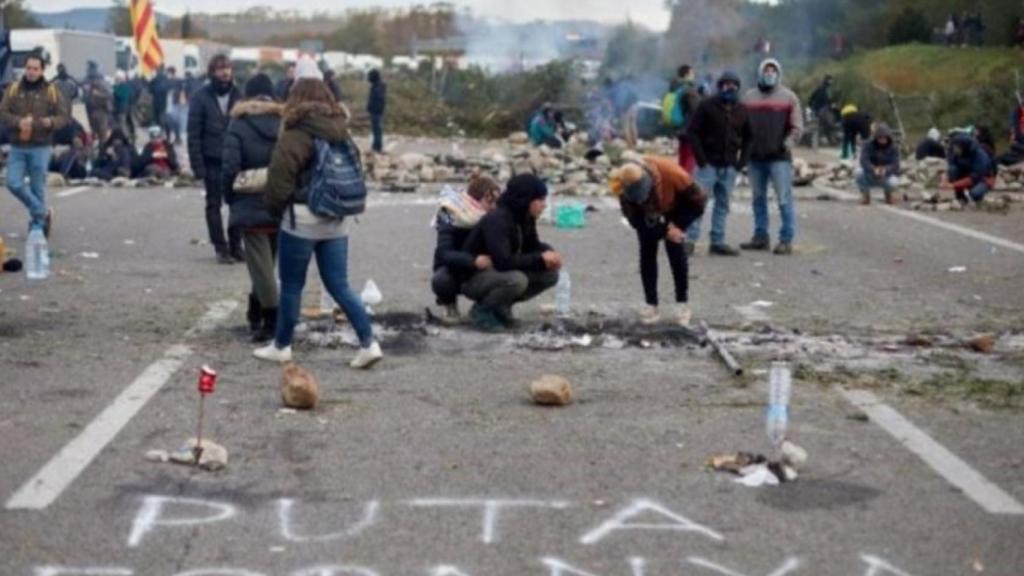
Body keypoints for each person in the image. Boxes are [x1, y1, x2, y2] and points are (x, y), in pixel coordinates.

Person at [254, 57, 382, 369]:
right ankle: (369, 342)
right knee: (340, 285)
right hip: (336, 218)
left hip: (302, 219)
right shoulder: (340, 128)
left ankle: (282, 345)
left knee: (292, 285)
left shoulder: (296, 133)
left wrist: (274, 210)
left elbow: (279, 180)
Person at [221, 73, 283, 342]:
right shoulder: (285, 123)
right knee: (267, 263)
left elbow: (229, 167)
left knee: (261, 265)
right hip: (280, 201)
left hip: (249, 200)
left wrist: (230, 197)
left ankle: (272, 319)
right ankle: (255, 309)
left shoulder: (238, 124)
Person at [610, 158, 706, 326]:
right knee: (647, 251)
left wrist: (677, 227)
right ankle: (651, 304)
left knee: (676, 253)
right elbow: (634, 220)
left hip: (677, 207)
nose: (641, 199)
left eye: (643, 195)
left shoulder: (674, 174)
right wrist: (662, 230)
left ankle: (682, 304)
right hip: (646, 215)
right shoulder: (622, 184)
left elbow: (699, 202)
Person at [461, 174, 563, 331]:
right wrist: (540, 258)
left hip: (496, 273)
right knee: (517, 280)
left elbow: (532, 245)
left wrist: (549, 253)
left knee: (550, 275)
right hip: (473, 277)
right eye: (540, 200)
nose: (544, 205)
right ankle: (482, 310)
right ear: (526, 199)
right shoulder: (498, 219)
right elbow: (504, 261)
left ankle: (501, 306)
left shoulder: (524, 217)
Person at [685, 71, 752, 257]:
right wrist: (701, 160)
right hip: (708, 165)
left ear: (738, 88)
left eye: (733, 85)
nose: (728, 88)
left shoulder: (743, 110)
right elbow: (692, 132)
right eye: (725, 84)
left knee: (723, 205)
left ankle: (717, 241)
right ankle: (689, 240)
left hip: (729, 166)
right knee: (697, 203)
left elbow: (749, 138)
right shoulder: (706, 106)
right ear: (719, 85)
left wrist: (740, 163)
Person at [0, 53, 69, 235]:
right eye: (28, 68)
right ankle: (42, 212)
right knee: (13, 183)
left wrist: (51, 122)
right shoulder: (14, 89)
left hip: (40, 146)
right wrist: (17, 122)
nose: (31, 72)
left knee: (37, 187)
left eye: (35, 69)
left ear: (42, 71)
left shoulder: (51, 91)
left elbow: (64, 116)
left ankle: (38, 225)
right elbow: (3, 112)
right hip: (18, 146)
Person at [741, 58, 803, 255]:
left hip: (779, 158)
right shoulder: (749, 98)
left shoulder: (789, 98)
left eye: (772, 70)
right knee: (758, 199)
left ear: (778, 73)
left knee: (783, 199)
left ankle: (786, 239)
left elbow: (797, 127)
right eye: (766, 70)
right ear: (759, 73)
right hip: (755, 158)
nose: (769, 73)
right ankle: (761, 236)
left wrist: (786, 145)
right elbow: (741, 126)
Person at [188, 54, 242, 264]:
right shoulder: (201, 96)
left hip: (236, 161)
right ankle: (221, 247)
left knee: (238, 205)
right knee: (213, 205)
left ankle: (236, 245)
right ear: (213, 71)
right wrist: (197, 166)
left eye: (227, 67)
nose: (225, 72)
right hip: (211, 159)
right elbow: (193, 133)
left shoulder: (240, 95)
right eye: (220, 68)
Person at [430, 175, 502, 323]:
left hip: (484, 266)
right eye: (490, 201)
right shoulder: (450, 213)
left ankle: (491, 306)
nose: (494, 206)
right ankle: (449, 302)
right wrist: (472, 261)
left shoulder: (495, 217)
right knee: (442, 280)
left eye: (496, 201)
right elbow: (444, 253)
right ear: (477, 199)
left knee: (510, 277)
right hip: (456, 267)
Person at [666, 65, 701, 174]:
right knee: (690, 159)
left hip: (680, 128)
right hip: (690, 129)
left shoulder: (675, 87)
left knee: (683, 157)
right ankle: (685, 184)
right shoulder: (688, 90)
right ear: (686, 75)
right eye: (692, 73)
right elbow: (696, 109)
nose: (694, 76)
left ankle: (680, 182)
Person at [944, 133, 996, 206]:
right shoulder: (955, 153)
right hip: (967, 174)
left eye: (957, 147)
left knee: (975, 193)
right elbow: (951, 166)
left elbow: (974, 178)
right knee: (953, 170)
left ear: (964, 146)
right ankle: (960, 197)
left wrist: (953, 185)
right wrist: (945, 180)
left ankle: (978, 197)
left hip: (983, 179)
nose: (955, 149)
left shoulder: (980, 156)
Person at [856, 123, 900, 205]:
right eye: (880, 137)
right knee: (858, 172)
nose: (882, 139)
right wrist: (873, 169)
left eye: (884, 137)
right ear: (876, 137)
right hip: (871, 173)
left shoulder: (893, 148)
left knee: (894, 182)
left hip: (886, 175)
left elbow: (896, 164)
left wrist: (886, 170)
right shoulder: (868, 145)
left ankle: (888, 194)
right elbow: (864, 160)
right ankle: (865, 195)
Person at [82, 61, 113, 142]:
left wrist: (98, 94)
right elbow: (83, 95)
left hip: (100, 110)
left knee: (102, 133)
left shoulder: (102, 81)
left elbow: (109, 94)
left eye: (90, 68)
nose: (88, 70)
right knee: (94, 133)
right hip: (90, 110)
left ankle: (103, 151)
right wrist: (86, 92)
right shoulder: (86, 80)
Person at [808, 75, 838, 146]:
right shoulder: (821, 89)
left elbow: (829, 100)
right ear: (826, 80)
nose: (831, 82)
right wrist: (811, 106)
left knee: (834, 114)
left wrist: (832, 104)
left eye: (831, 80)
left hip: (826, 108)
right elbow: (812, 98)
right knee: (826, 119)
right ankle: (829, 136)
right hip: (820, 108)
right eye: (830, 80)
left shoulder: (828, 90)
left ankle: (832, 135)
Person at [112, 70, 137, 140]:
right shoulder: (129, 86)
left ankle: (126, 138)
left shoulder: (119, 87)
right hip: (129, 108)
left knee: (122, 125)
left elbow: (118, 95)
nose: (116, 80)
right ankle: (132, 136)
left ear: (120, 79)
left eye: (116, 79)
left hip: (121, 109)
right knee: (130, 124)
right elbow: (133, 97)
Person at [366, 69, 387, 153]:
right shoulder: (377, 85)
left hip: (376, 111)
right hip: (376, 110)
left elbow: (378, 99)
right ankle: (376, 146)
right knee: (376, 129)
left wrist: (372, 108)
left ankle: (377, 147)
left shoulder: (378, 86)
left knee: (377, 129)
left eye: (370, 76)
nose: (368, 78)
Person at [163, 67, 183, 144]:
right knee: (172, 121)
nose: (167, 74)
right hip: (173, 103)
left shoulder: (173, 81)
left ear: (171, 73)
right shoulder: (177, 81)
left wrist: (173, 92)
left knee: (172, 121)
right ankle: (175, 138)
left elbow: (179, 90)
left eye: (168, 73)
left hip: (172, 103)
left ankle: (173, 138)